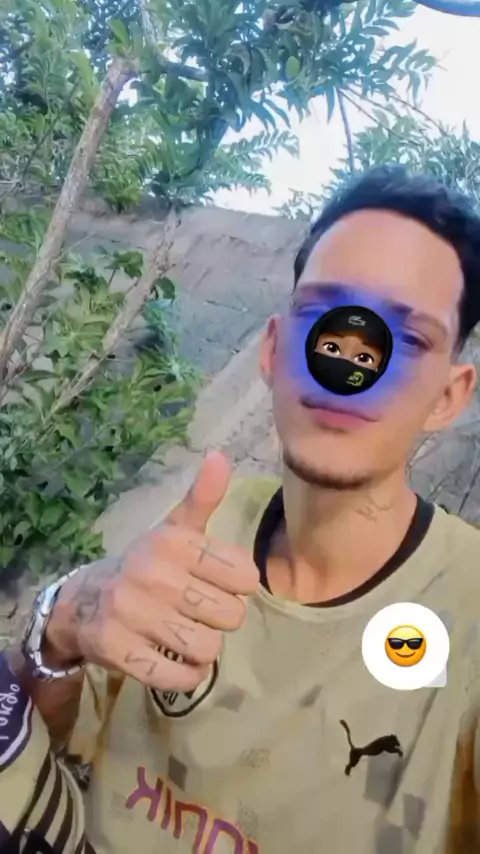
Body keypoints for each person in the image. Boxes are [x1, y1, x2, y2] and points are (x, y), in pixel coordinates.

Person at [2, 164, 480, 854]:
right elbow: (42, 750)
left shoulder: (467, 610)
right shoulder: (207, 519)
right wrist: (64, 623)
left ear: (448, 396)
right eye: (325, 320)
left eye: (406, 340)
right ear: (274, 349)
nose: (351, 370)